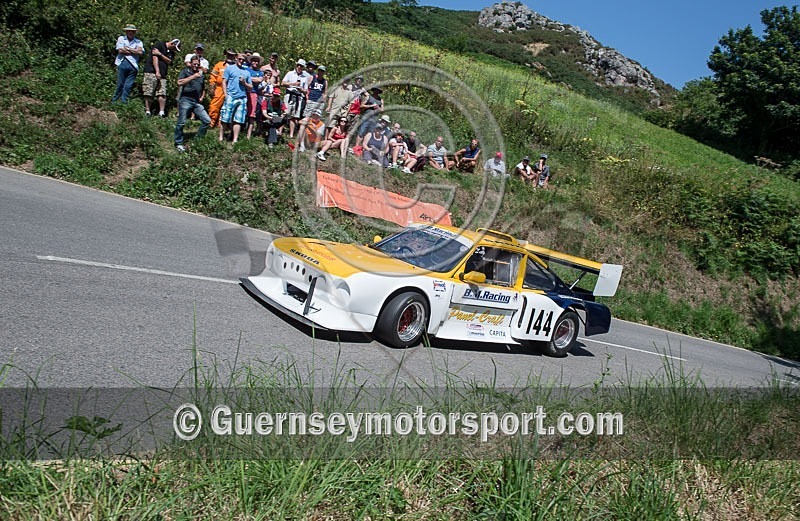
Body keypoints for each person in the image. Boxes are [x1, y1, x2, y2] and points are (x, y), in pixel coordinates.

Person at [173, 56, 211, 152]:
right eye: (194, 63)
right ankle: (178, 142)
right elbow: (179, 82)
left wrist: (202, 96)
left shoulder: (201, 75)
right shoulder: (185, 72)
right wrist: (193, 77)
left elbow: (203, 87)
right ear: (190, 63)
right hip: (186, 99)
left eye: (198, 64)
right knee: (181, 122)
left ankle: (197, 140)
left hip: (196, 101)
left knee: (207, 120)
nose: (196, 65)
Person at [219, 53, 252, 144]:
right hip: (231, 96)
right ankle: (221, 137)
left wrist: (244, 83)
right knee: (225, 117)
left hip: (242, 97)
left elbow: (250, 87)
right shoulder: (229, 68)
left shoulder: (246, 72)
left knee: (239, 119)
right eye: (240, 59)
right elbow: (224, 81)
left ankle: (235, 139)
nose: (241, 61)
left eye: (243, 60)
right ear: (236, 58)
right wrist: (226, 94)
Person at [142, 38, 180, 117]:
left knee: (162, 93)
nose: (174, 50)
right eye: (174, 48)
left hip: (163, 74)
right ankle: (148, 111)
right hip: (151, 72)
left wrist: (160, 54)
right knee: (148, 92)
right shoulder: (159, 45)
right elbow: (155, 57)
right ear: (172, 43)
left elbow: (169, 61)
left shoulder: (171, 53)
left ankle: (161, 112)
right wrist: (157, 71)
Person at [112, 24, 144, 103]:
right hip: (123, 62)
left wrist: (128, 49)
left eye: (132, 31)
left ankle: (124, 102)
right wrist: (134, 51)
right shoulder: (121, 39)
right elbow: (120, 51)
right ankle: (114, 101)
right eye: (129, 31)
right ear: (126, 31)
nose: (130, 33)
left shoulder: (138, 42)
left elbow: (140, 52)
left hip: (133, 65)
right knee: (120, 83)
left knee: (128, 85)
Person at [281, 59, 310, 139]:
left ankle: (291, 134)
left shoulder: (304, 77)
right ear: (296, 65)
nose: (299, 67)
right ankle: (280, 131)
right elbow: (282, 83)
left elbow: (305, 91)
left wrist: (301, 89)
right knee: (285, 113)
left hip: (298, 96)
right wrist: (292, 84)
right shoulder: (290, 73)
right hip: (289, 94)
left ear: (303, 67)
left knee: (294, 116)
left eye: (301, 66)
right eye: (298, 65)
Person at [208, 48, 236, 128]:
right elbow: (213, 76)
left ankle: (225, 125)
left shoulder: (236, 66)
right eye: (228, 54)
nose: (230, 56)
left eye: (232, 55)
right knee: (214, 106)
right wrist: (212, 86)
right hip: (219, 88)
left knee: (230, 108)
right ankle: (211, 123)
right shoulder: (219, 65)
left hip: (232, 89)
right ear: (226, 55)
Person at [246, 53, 265, 139]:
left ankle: (248, 136)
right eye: (254, 61)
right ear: (251, 61)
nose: (256, 63)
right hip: (244, 92)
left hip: (254, 93)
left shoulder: (260, 72)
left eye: (257, 61)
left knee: (252, 114)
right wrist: (253, 79)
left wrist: (248, 78)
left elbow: (259, 80)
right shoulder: (246, 69)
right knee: (242, 112)